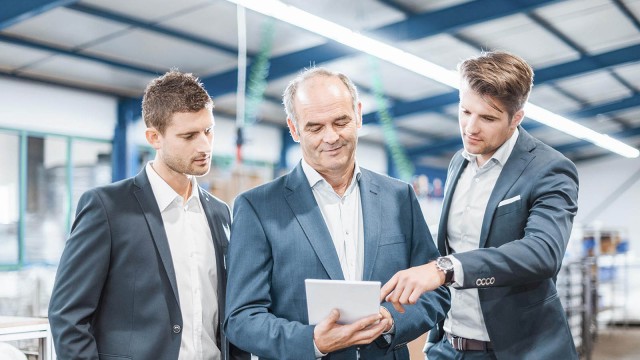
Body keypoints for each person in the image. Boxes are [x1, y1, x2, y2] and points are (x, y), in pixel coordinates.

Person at [224, 67, 450, 360]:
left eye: (340, 121)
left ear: (357, 115)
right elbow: (241, 318)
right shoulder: (259, 208)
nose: (330, 137)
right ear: (294, 129)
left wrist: (391, 319)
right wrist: (313, 341)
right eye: (315, 128)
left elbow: (435, 291)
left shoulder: (398, 197)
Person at [380, 51, 580, 359]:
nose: (471, 128)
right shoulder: (458, 163)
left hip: (515, 350)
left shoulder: (549, 169)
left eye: (488, 118)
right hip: (448, 346)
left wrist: (445, 269)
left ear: (517, 118)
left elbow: (543, 252)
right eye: (465, 111)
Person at [48, 71, 249, 360]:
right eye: (189, 136)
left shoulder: (220, 213)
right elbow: (67, 316)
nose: (204, 146)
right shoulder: (107, 208)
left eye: (208, 131)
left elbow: (229, 314)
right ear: (154, 137)